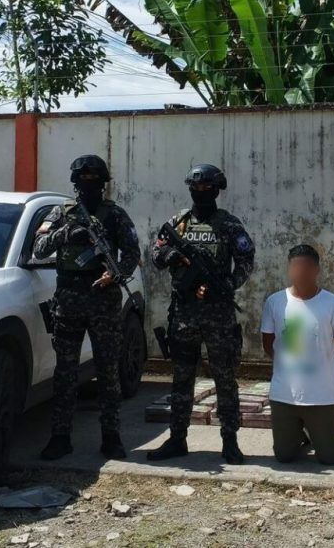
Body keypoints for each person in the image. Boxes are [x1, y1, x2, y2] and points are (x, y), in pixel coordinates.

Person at [33, 155, 141, 461]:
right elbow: (39, 249)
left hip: (104, 299)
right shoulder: (61, 213)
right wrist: (66, 233)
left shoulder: (115, 215)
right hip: (68, 299)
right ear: (75, 183)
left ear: (103, 184)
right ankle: (60, 437)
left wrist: (115, 272)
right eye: (84, 181)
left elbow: (133, 251)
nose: (89, 186)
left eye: (95, 181)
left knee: (108, 371)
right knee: (65, 372)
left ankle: (111, 437)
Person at [147, 164, 256, 465]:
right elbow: (156, 254)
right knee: (182, 378)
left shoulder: (230, 225)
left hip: (219, 315)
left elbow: (246, 261)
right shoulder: (178, 223)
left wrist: (227, 287)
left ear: (218, 190)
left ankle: (230, 441)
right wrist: (169, 254)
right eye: (196, 189)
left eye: (207, 189)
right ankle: (177, 438)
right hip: (184, 314)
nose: (201, 194)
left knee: (225, 379)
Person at [261, 244, 334, 465]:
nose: (300, 274)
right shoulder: (275, 302)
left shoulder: (333, 304)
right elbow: (269, 344)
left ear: (316, 270)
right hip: (284, 394)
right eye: (295, 268)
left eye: (306, 268)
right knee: (284, 456)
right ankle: (304, 434)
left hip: (320, 395)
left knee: (329, 457)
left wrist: (324, 368)